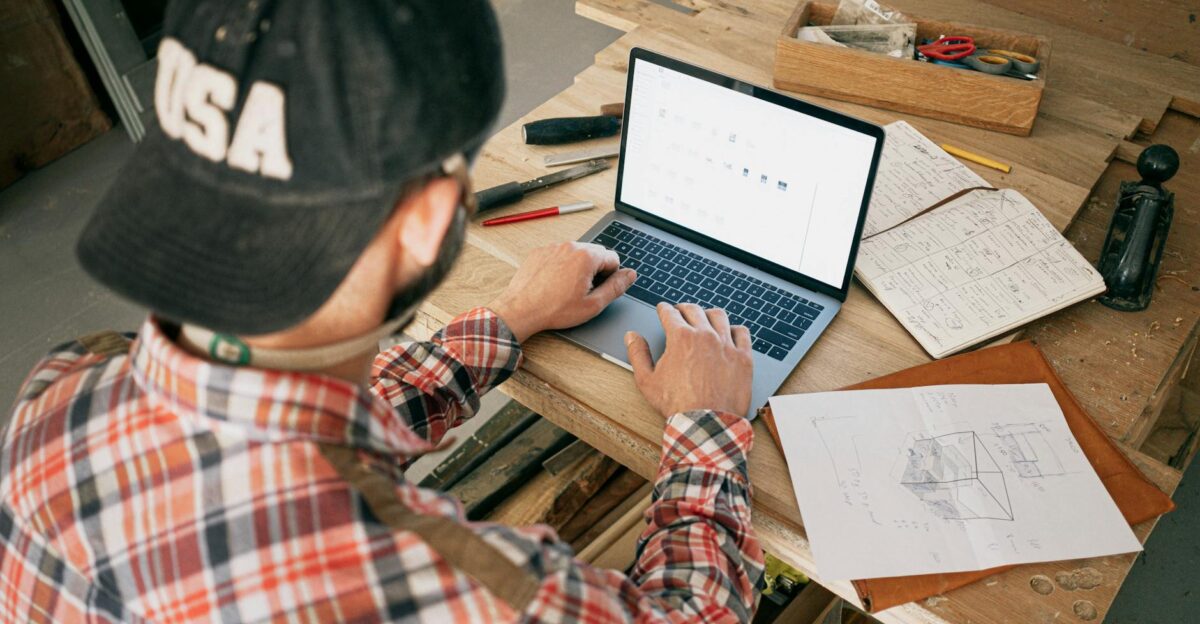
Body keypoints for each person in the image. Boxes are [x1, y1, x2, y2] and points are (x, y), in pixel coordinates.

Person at [0, 1, 764, 622]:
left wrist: (509, 318)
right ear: (431, 221)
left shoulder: (63, 387)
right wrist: (705, 426)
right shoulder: (422, 580)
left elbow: (279, 429)